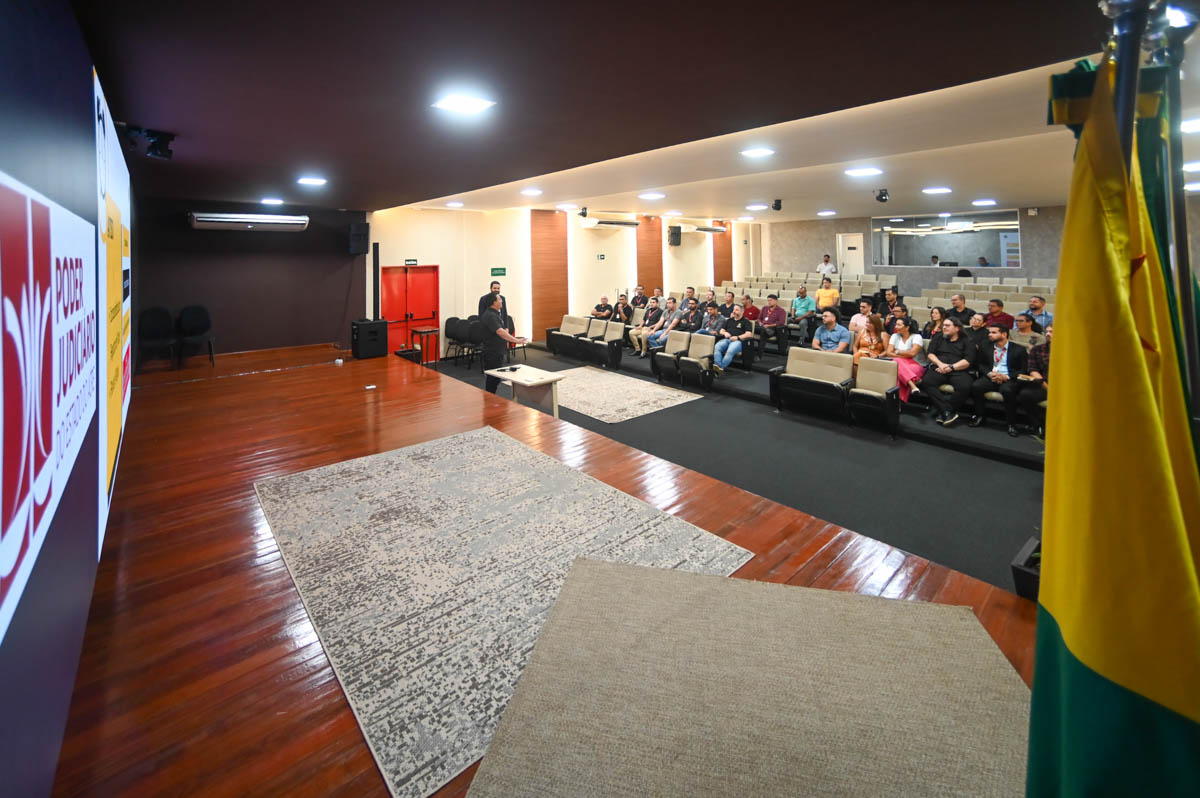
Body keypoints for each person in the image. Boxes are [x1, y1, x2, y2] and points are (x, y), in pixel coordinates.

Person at [969, 323, 1028, 436]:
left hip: (1009, 378)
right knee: (976, 386)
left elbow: (1023, 370)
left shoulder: (1018, 349)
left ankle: (1011, 424)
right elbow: (980, 364)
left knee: (1007, 391)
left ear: (1004, 334)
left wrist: (1007, 377)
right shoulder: (985, 345)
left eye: (994, 332)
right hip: (991, 376)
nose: (989, 335)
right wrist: (989, 373)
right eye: (989, 332)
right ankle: (980, 416)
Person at [921, 317, 977, 427]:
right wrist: (940, 364)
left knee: (965, 386)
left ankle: (944, 410)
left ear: (957, 328)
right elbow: (930, 354)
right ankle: (946, 411)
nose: (944, 327)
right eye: (944, 325)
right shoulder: (938, 337)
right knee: (927, 382)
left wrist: (951, 367)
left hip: (958, 369)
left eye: (947, 326)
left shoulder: (968, 340)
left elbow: (968, 360)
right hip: (939, 367)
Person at [482, 294, 528, 393]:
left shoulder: (495, 314)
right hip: (492, 352)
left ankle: (491, 397)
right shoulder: (490, 315)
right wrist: (516, 340)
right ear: (494, 302)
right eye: (499, 299)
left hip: (497, 351)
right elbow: (499, 331)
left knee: (495, 378)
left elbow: (502, 330)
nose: (501, 301)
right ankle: (489, 398)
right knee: (493, 378)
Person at [1018, 323, 1052, 437]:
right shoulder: (1037, 349)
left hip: (1064, 385)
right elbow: (1033, 370)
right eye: (1047, 331)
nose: (1048, 334)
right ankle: (1039, 424)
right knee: (1025, 395)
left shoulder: (1069, 351)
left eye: (1051, 332)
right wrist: (1047, 388)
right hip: (1044, 383)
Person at [885, 317, 925, 402]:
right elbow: (888, 353)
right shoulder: (894, 336)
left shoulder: (917, 337)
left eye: (899, 325)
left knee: (897, 364)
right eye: (896, 324)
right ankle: (912, 385)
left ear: (907, 327)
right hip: (900, 366)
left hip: (915, 365)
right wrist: (904, 355)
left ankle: (896, 403)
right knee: (897, 364)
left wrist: (898, 352)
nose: (896, 327)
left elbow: (913, 353)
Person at [713, 304, 755, 373]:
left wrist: (737, 337)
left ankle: (720, 368)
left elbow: (749, 334)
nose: (734, 311)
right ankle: (718, 365)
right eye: (733, 309)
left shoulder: (746, 321)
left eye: (736, 310)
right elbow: (721, 330)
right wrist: (725, 333)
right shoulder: (729, 320)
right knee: (717, 347)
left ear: (742, 311)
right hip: (727, 339)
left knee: (730, 351)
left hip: (738, 341)